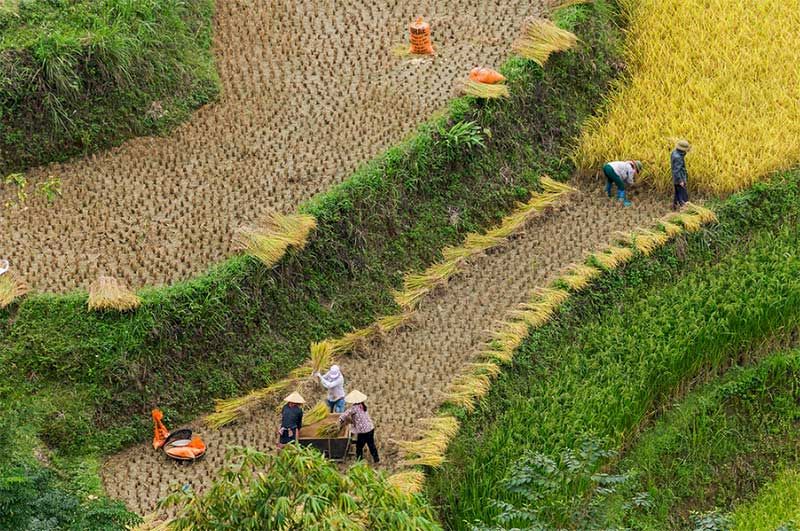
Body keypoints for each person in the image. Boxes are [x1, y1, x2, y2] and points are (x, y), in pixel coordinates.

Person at [338, 390, 379, 463]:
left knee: (359, 447)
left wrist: (339, 421)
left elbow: (344, 415)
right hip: (370, 428)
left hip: (363, 431)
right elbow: (358, 419)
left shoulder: (354, 408)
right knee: (371, 444)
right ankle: (376, 459)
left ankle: (359, 461)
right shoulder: (363, 406)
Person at [671, 140, 691, 210]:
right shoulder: (678, 157)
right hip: (679, 178)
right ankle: (685, 208)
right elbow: (677, 170)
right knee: (683, 195)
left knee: (677, 192)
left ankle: (675, 206)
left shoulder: (674, 152)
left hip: (676, 178)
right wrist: (680, 181)